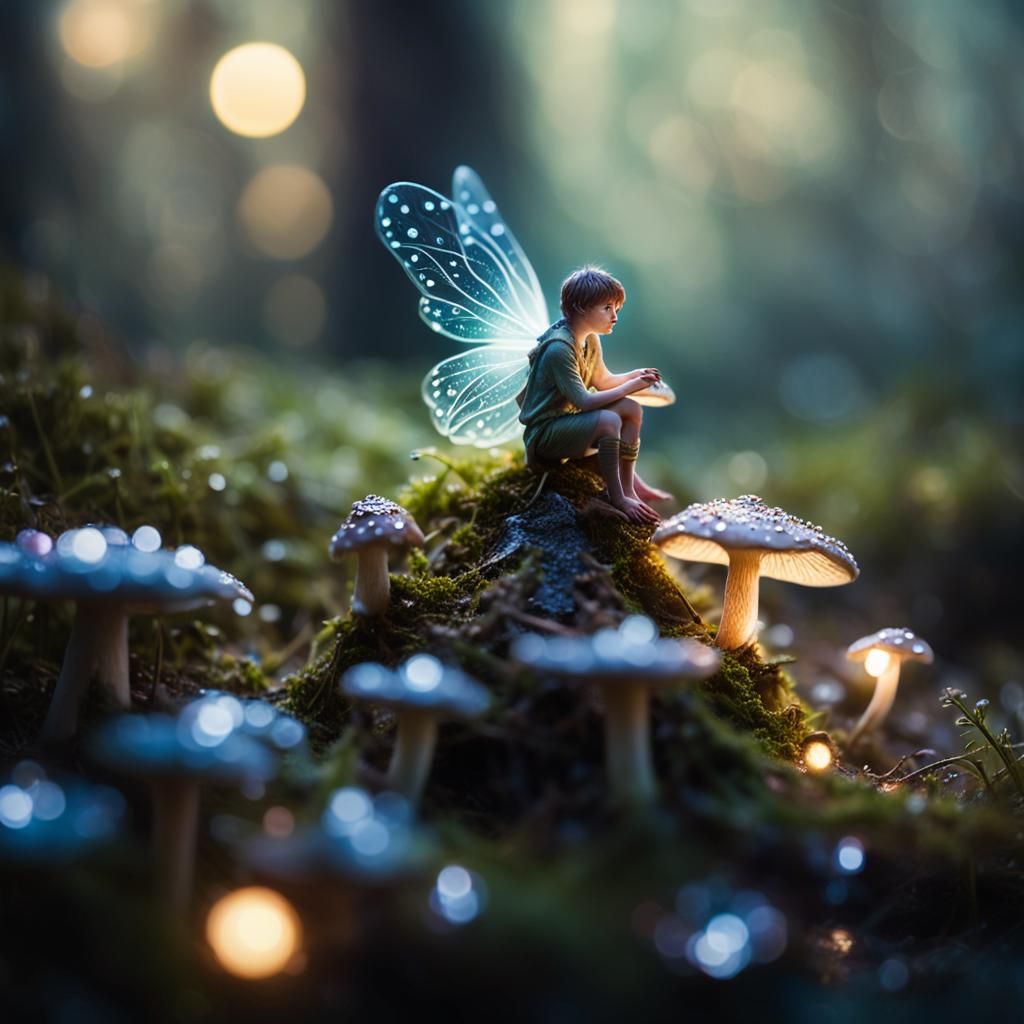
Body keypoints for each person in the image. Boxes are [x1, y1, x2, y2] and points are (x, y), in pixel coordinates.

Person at [518, 266, 670, 525]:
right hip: (545, 436)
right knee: (609, 421)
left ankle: (628, 489)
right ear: (580, 307)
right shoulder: (558, 349)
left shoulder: (590, 340)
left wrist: (634, 376)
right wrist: (630, 386)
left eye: (616, 309)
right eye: (607, 308)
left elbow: (602, 381)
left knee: (632, 409)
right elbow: (584, 401)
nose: (614, 316)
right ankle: (617, 496)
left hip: (570, 424)